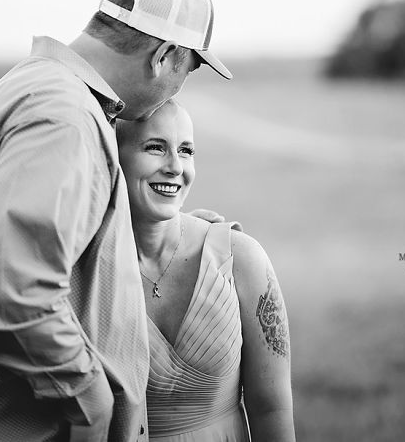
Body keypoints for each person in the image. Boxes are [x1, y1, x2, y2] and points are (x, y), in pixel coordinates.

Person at [0, 0, 234, 442]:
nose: (178, 90)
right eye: (188, 70)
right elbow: (12, 292)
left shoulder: (39, 89)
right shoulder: (66, 117)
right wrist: (92, 403)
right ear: (164, 57)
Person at [116, 100, 295, 441]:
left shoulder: (241, 258)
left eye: (186, 151)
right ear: (115, 157)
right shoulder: (89, 272)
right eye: (155, 148)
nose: (174, 166)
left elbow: (272, 408)